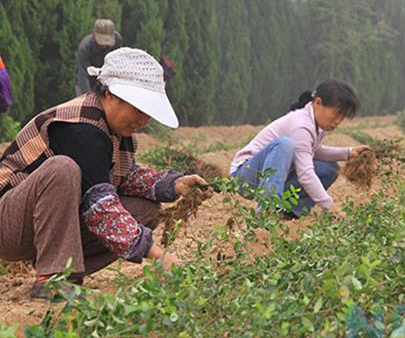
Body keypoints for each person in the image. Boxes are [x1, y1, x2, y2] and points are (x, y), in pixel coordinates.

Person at [0, 47, 209, 299]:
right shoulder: (80, 128)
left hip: (40, 224)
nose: (143, 120)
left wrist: (172, 184)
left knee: (145, 210)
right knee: (62, 169)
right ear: (110, 95)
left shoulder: (116, 133)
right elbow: (101, 208)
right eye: (138, 109)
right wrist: (158, 255)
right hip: (8, 221)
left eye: (148, 113)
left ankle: (62, 267)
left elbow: (122, 177)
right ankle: (55, 279)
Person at [230, 79, 370, 219]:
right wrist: (331, 207)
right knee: (284, 144)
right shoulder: (301, 127)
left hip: (269, 176)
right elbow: (306, 175)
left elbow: (312, 152)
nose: (338, 121)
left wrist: (349, 152)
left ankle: (288, 213)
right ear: (317, 103)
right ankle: (268, 208)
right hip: (245, 176)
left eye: (342, 117)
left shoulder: (314, 125)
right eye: (336, 114)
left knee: (328, 169)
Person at [75, 19, 122, 95]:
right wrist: (87, 96)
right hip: (87, 79)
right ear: (93, 34)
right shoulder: (84, 47)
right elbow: (82, 75)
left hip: (107, 78)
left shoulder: (117, 40)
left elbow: (117, 64)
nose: (104, 44)